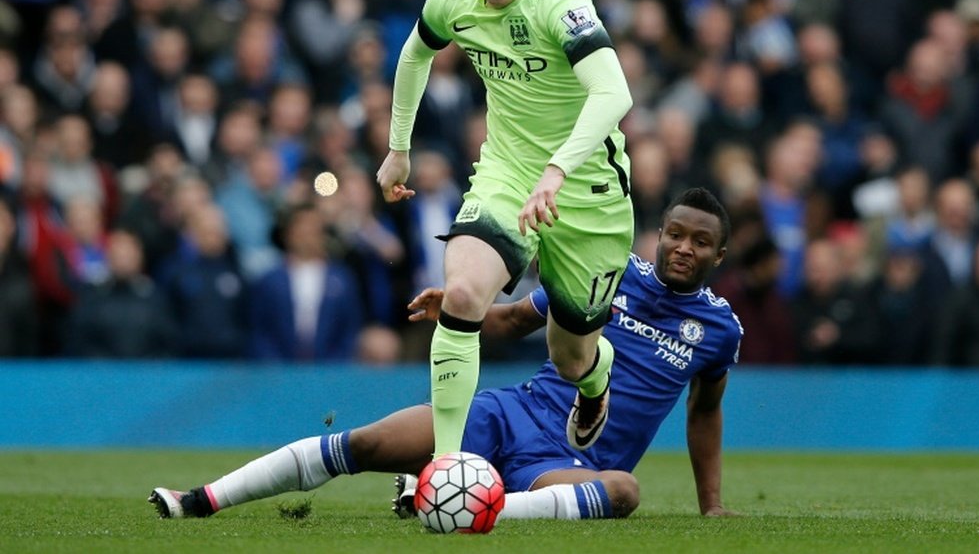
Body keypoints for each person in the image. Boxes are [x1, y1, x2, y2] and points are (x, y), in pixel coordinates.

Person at [149, 188, 741, 521]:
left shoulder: (719, 330)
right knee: (368, 442)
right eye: (675, 234)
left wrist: (710, 506)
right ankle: (202, 500)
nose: (682, 247)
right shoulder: (609, 274)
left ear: (719, 254)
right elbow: (512, 320)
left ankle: (467, 498)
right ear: (660, 233)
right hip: (512, 414)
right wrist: (461, 313)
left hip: (569, 464)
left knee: (623, 493)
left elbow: (705, 412)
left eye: (700, 242)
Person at [375, 0, 635, 456]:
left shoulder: (559, 0)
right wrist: (399, 147)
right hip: (508, 172)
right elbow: (416, 53)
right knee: (465, 294)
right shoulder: (453, 1)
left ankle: (596, 378)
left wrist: (558, 171)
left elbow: (614, 92)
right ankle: (445, 464)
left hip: (588, 190)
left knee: (569, 358)